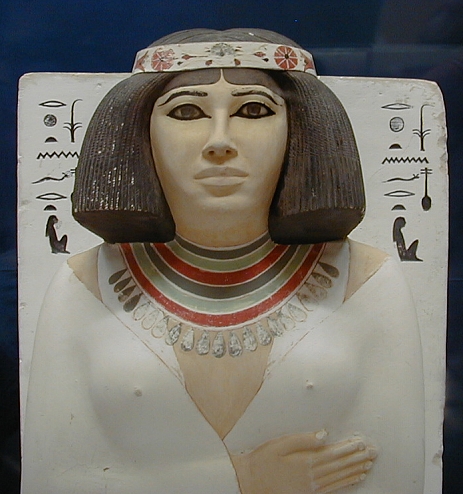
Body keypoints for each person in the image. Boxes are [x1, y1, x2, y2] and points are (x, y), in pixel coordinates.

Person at [22, 28, 424, 494]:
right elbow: (50, 480)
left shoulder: (368, 284)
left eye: (252, 111)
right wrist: (242, 480)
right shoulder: (82, 285)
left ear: (302, 128)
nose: (219, 141)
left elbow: (398, 477)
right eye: (186, 112)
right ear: (138, 130)